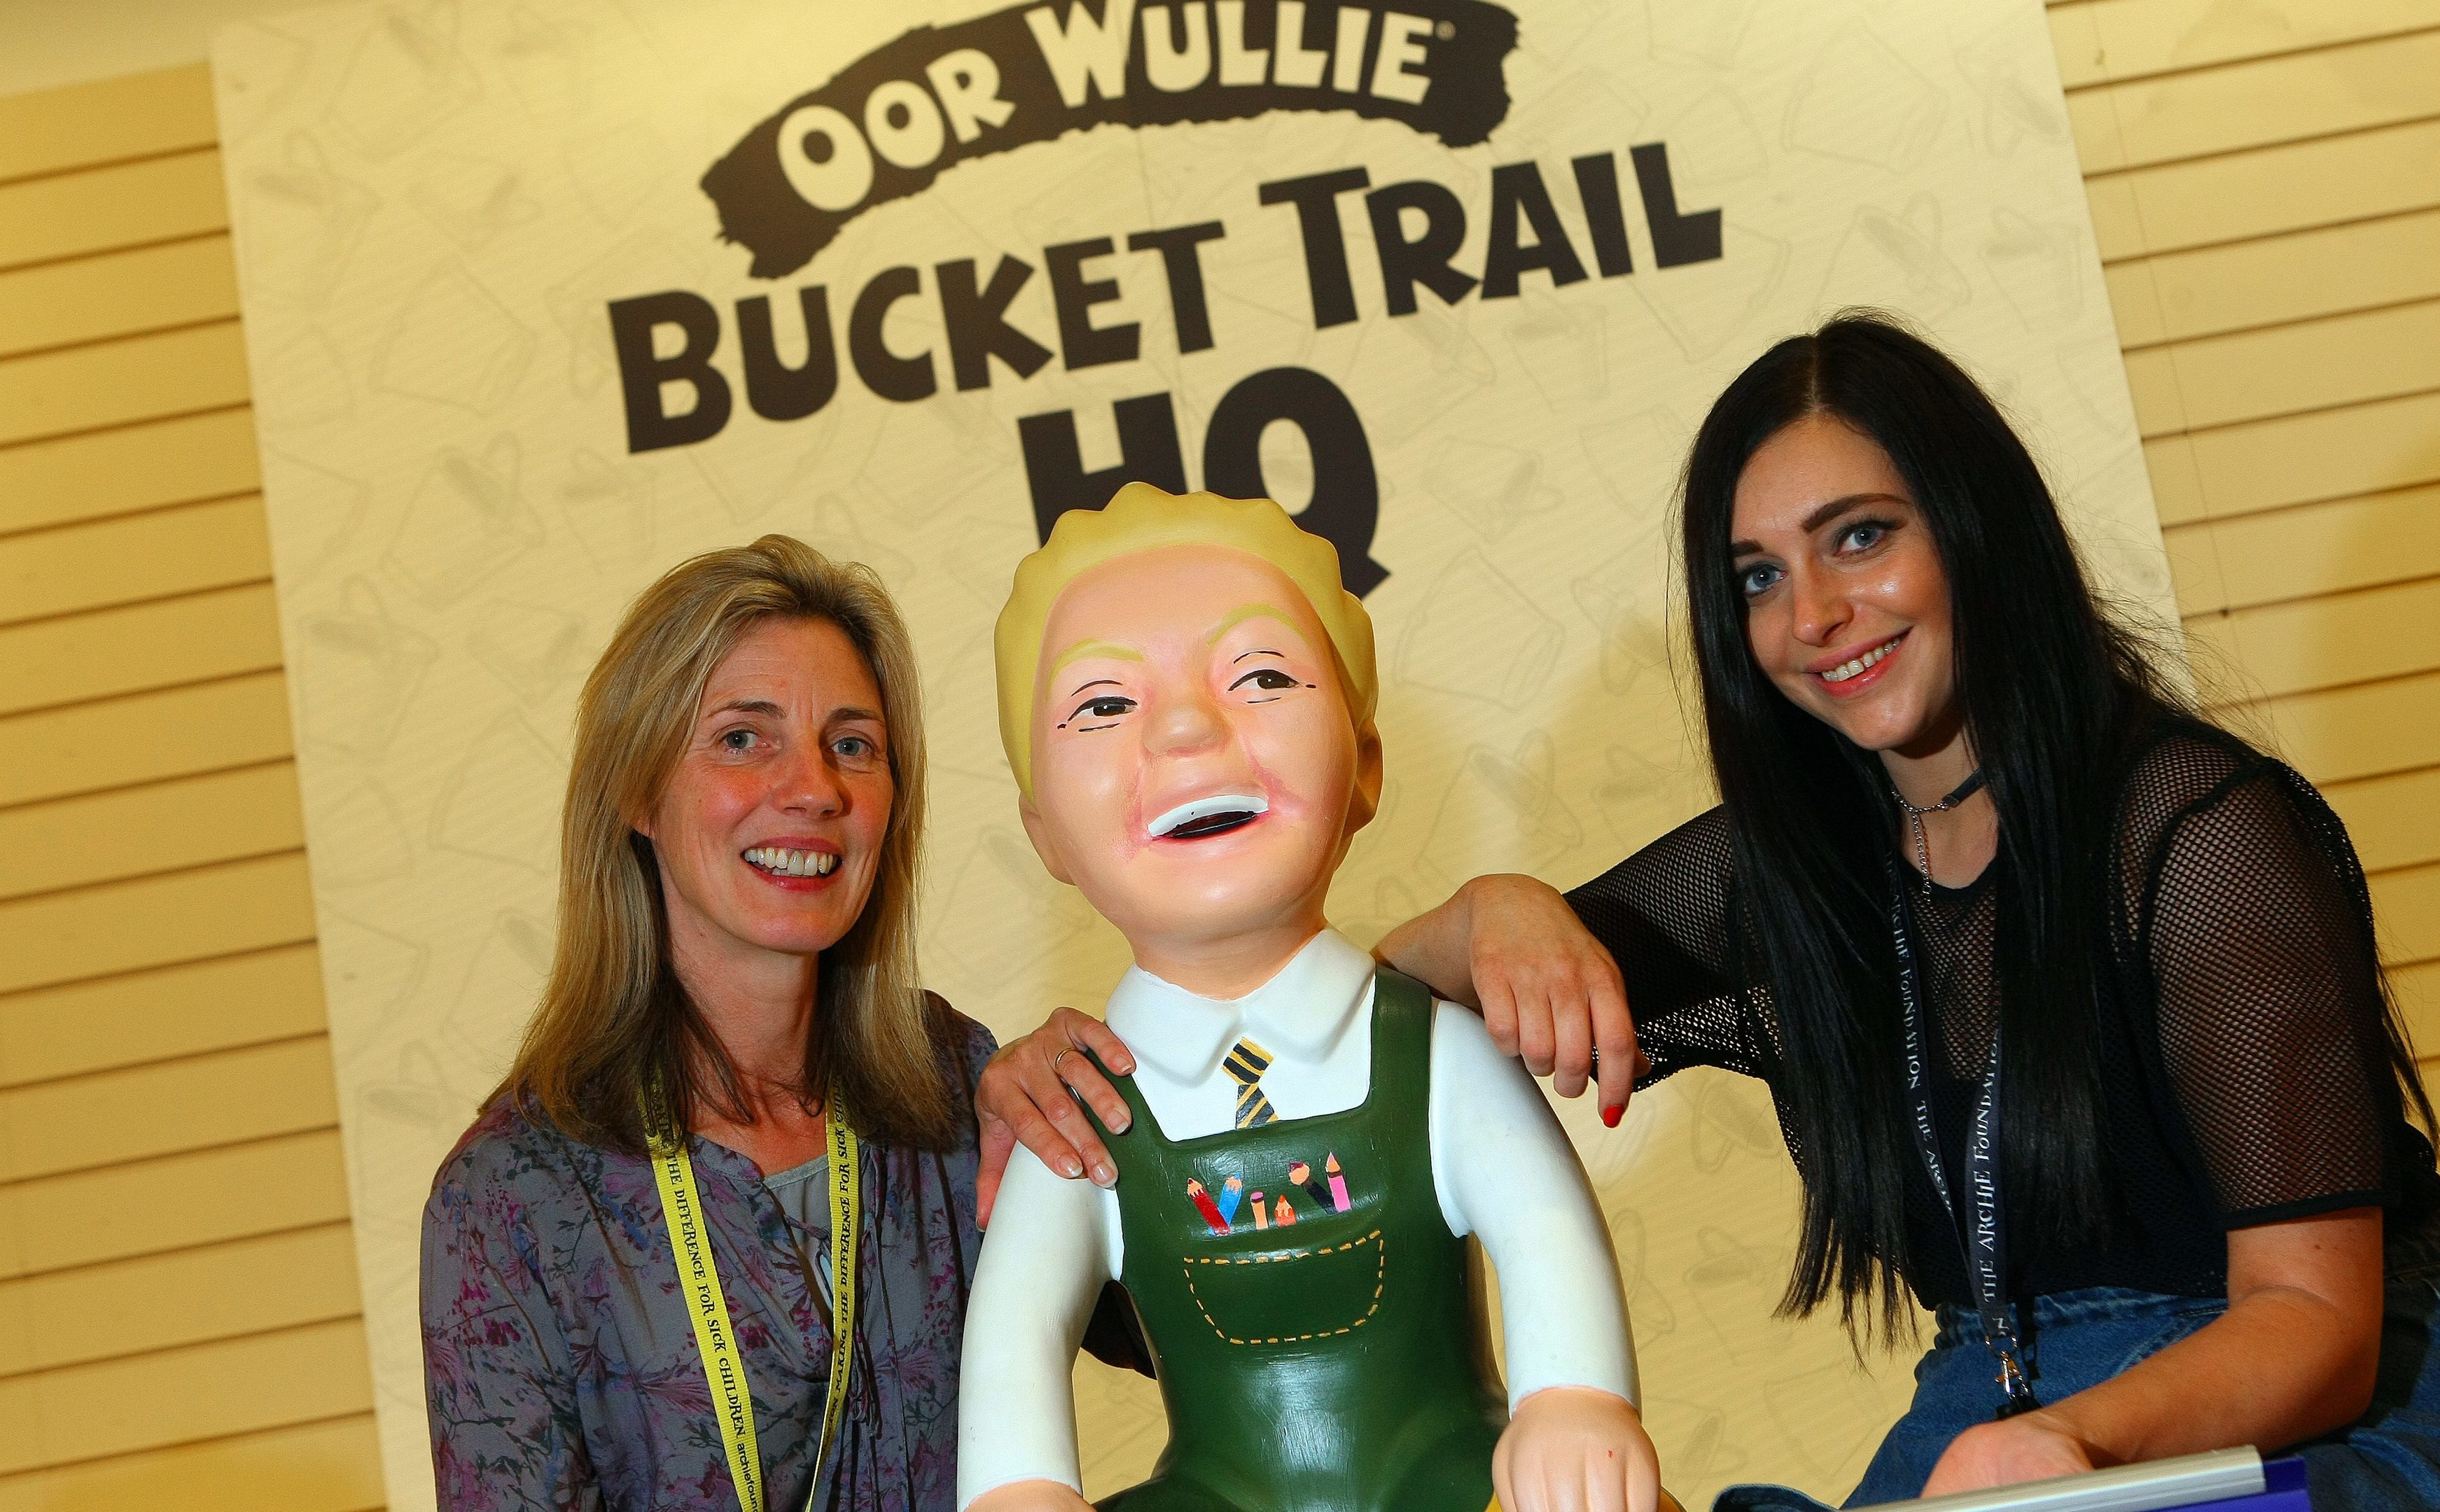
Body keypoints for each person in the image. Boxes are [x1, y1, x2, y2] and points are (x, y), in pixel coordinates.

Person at [977, 314, 2440, 1508]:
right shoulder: (1792, 868)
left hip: (2274, 1426)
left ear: (1975, 530)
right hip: (1989, 1412)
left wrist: (2066, 1445)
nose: (1815, 612)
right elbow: (1376, 1021)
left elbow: (2316, 1325)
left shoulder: (2191, 831)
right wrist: (1492, 912)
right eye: (1759, 576)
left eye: (1860, 538)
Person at [956, 486, 1661, 1512]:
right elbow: (1016, 1327)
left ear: (1365, 766)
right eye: (1105, 705)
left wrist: (1575, 1401)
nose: (1188, 731)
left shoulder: (1434, 1051)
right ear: (1043, 834)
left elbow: (1546, 1232)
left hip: (1454, 1483)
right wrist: (1016, 1489)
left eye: (1260, 677)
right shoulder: (1079, 1112)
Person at [421, 536, 1135, 1512]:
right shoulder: (509, 1203)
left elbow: (1219, 1323)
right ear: (635, 790)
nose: (814, 789)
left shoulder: (953, 1087)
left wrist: (1118, 1090)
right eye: (742, 738)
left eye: (852, 745)